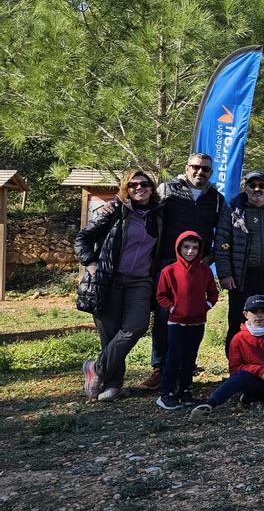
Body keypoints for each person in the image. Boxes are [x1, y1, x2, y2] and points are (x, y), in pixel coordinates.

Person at [142, 152, 226, 390]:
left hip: (197, 267)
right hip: (167, 263)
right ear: (187, 167)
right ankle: (160, 368)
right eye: (196, 167)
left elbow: (223, 230)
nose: (200, 172)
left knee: (191, 316)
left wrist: (211, 257)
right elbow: (143, 207)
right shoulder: (167, 190)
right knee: (163, 315)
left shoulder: (217, 199)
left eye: (206, 169)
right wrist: (115, 203)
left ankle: (185, 367)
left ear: (211, 172)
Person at [78, 170, 162, 402]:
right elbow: (83, 238)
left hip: (141, 281)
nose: (139, 188)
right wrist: (91, 263)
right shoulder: (115, 212)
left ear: (151, 187)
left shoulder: (158, 215)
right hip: (110, 279)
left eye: (144, 184)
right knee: (110, 333)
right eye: (133, 184)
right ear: (126, 188)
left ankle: (96, 368)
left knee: (136, 326)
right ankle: (114, 385)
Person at [214, 171, 264, 350]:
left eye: (261, 185)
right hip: (240, 278)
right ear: (246, 188)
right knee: (237, 321)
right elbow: (221, 244)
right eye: (253, 185)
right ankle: (236, 367)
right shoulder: (232, 210)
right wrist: (225, 274)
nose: (257, 189)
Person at [189, 295, 264, 420]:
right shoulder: (238, 338)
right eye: (254, 311)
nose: (258, 315)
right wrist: (259, 371)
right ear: (246, 314)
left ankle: (254, 398)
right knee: (238, 378)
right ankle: (209, 404)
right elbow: (235, 368)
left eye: (263, 311)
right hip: (252, 380)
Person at [153, 231, 219, 410]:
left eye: (195, 248)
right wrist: (172, 308)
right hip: (177, 323)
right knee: (174, 357)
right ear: (179, 248)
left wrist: (205, 305)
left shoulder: (205, 270)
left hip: (198, 322)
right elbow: (161, 295)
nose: (190, 251)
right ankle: (167, 393)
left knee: (190, 357)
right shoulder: (169, 271)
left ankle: (185, 390)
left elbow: (213, 293)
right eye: (186, 247)